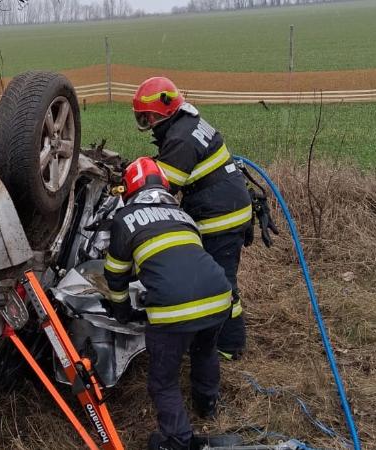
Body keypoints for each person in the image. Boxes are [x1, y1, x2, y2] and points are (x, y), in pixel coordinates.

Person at [103, 157, 233, 450]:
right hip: (219, 297)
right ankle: (207, 403)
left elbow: (114, 274)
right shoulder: (184, 216)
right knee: (204, 350)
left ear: (130, 189)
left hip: (174, 311)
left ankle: (175, 438)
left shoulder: (126, 219)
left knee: (163, 381)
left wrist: (121, 309)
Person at [131, 77, 252, 360]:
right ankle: (215, 336)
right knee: (217, 278)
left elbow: (160, 187)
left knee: (222, 283)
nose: (146, 121)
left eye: (147, 116)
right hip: (228, 206)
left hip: (221, 218)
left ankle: (229, 347)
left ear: (161, 112)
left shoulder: (180, 139)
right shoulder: (187, 123)